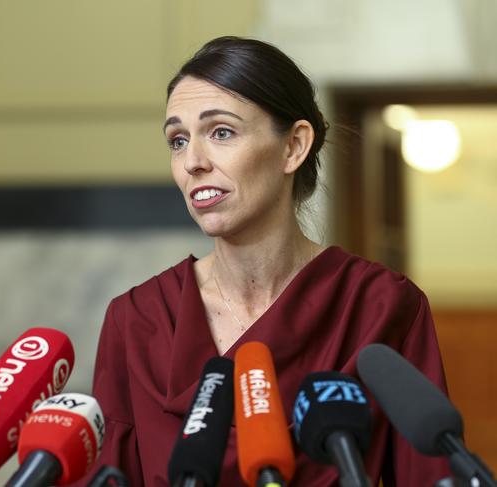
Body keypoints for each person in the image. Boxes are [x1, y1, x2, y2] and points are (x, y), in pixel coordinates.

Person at [80, 36, 451, 486]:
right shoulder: (137, 319)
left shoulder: (384, 306)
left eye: (221, 132)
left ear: (294, 147)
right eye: (178, 140)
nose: (193, 162)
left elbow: (426, 474)